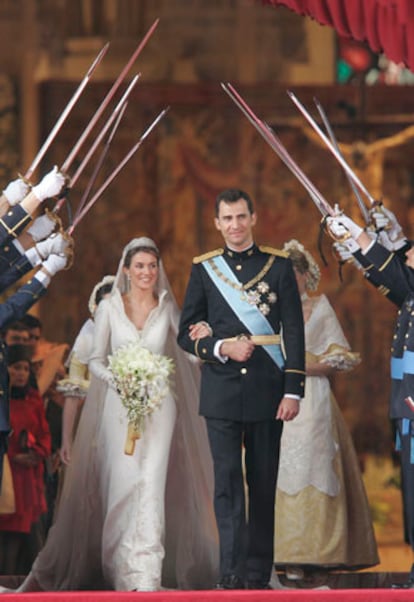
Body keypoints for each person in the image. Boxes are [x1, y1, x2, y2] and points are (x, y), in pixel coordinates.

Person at [2, 236, 218, 593]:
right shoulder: (109, 309)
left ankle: (146, 571)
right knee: (122, 485)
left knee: (151, 484)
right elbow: (96, 361)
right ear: (127, 270)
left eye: (152, 266)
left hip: (160, 405)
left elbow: (188, 352)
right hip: (119, 409)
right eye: (140, 266)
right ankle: (119, 567)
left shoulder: (166, 306)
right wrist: (120, 383)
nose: (147, 272)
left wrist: (205, 339)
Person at [177, 188, 306, 590]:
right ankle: (230, 573)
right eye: (227, 219)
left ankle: (256, 573)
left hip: (269, 389)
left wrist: (293, 390)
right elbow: (186, 333)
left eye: (240, 217)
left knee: (263, 482)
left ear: (253, 218)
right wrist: (220, 347)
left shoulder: (279, 266)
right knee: (227, 484)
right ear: (217, 223)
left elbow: (295, 334)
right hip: (222, 391)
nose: (234, 225)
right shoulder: (205, 269)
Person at [274, 239, 379, 581]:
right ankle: (283, 555)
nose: (292, 280)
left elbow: (339, 359)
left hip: (313, 401)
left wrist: (300, 368)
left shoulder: (319, 307)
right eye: (284, 274)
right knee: (278, 470)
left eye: (297, 273)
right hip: (276, 401)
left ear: (307, 276)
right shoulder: (266, 310)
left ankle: (318, 553)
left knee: (314, 468)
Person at [327, 207, 414, 588]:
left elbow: (401, 278)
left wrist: (364, 242)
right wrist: (371, 248)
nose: (410, 253)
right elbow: (401, 285)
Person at [0, 344, 51, 575]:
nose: (20, 373)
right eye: (14, 368)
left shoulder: (34, 400)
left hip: (29, 479)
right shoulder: (3, 402)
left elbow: (44, 434)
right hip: (8, 479)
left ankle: (34, 590)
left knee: (33, 537)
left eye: (24, 369)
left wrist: (37, 453)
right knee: (10, 538)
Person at [57, 275, 115, 465]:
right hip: (95, 422)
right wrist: (67, 439)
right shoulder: (87, 338)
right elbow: (73, 395)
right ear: (95, 308)